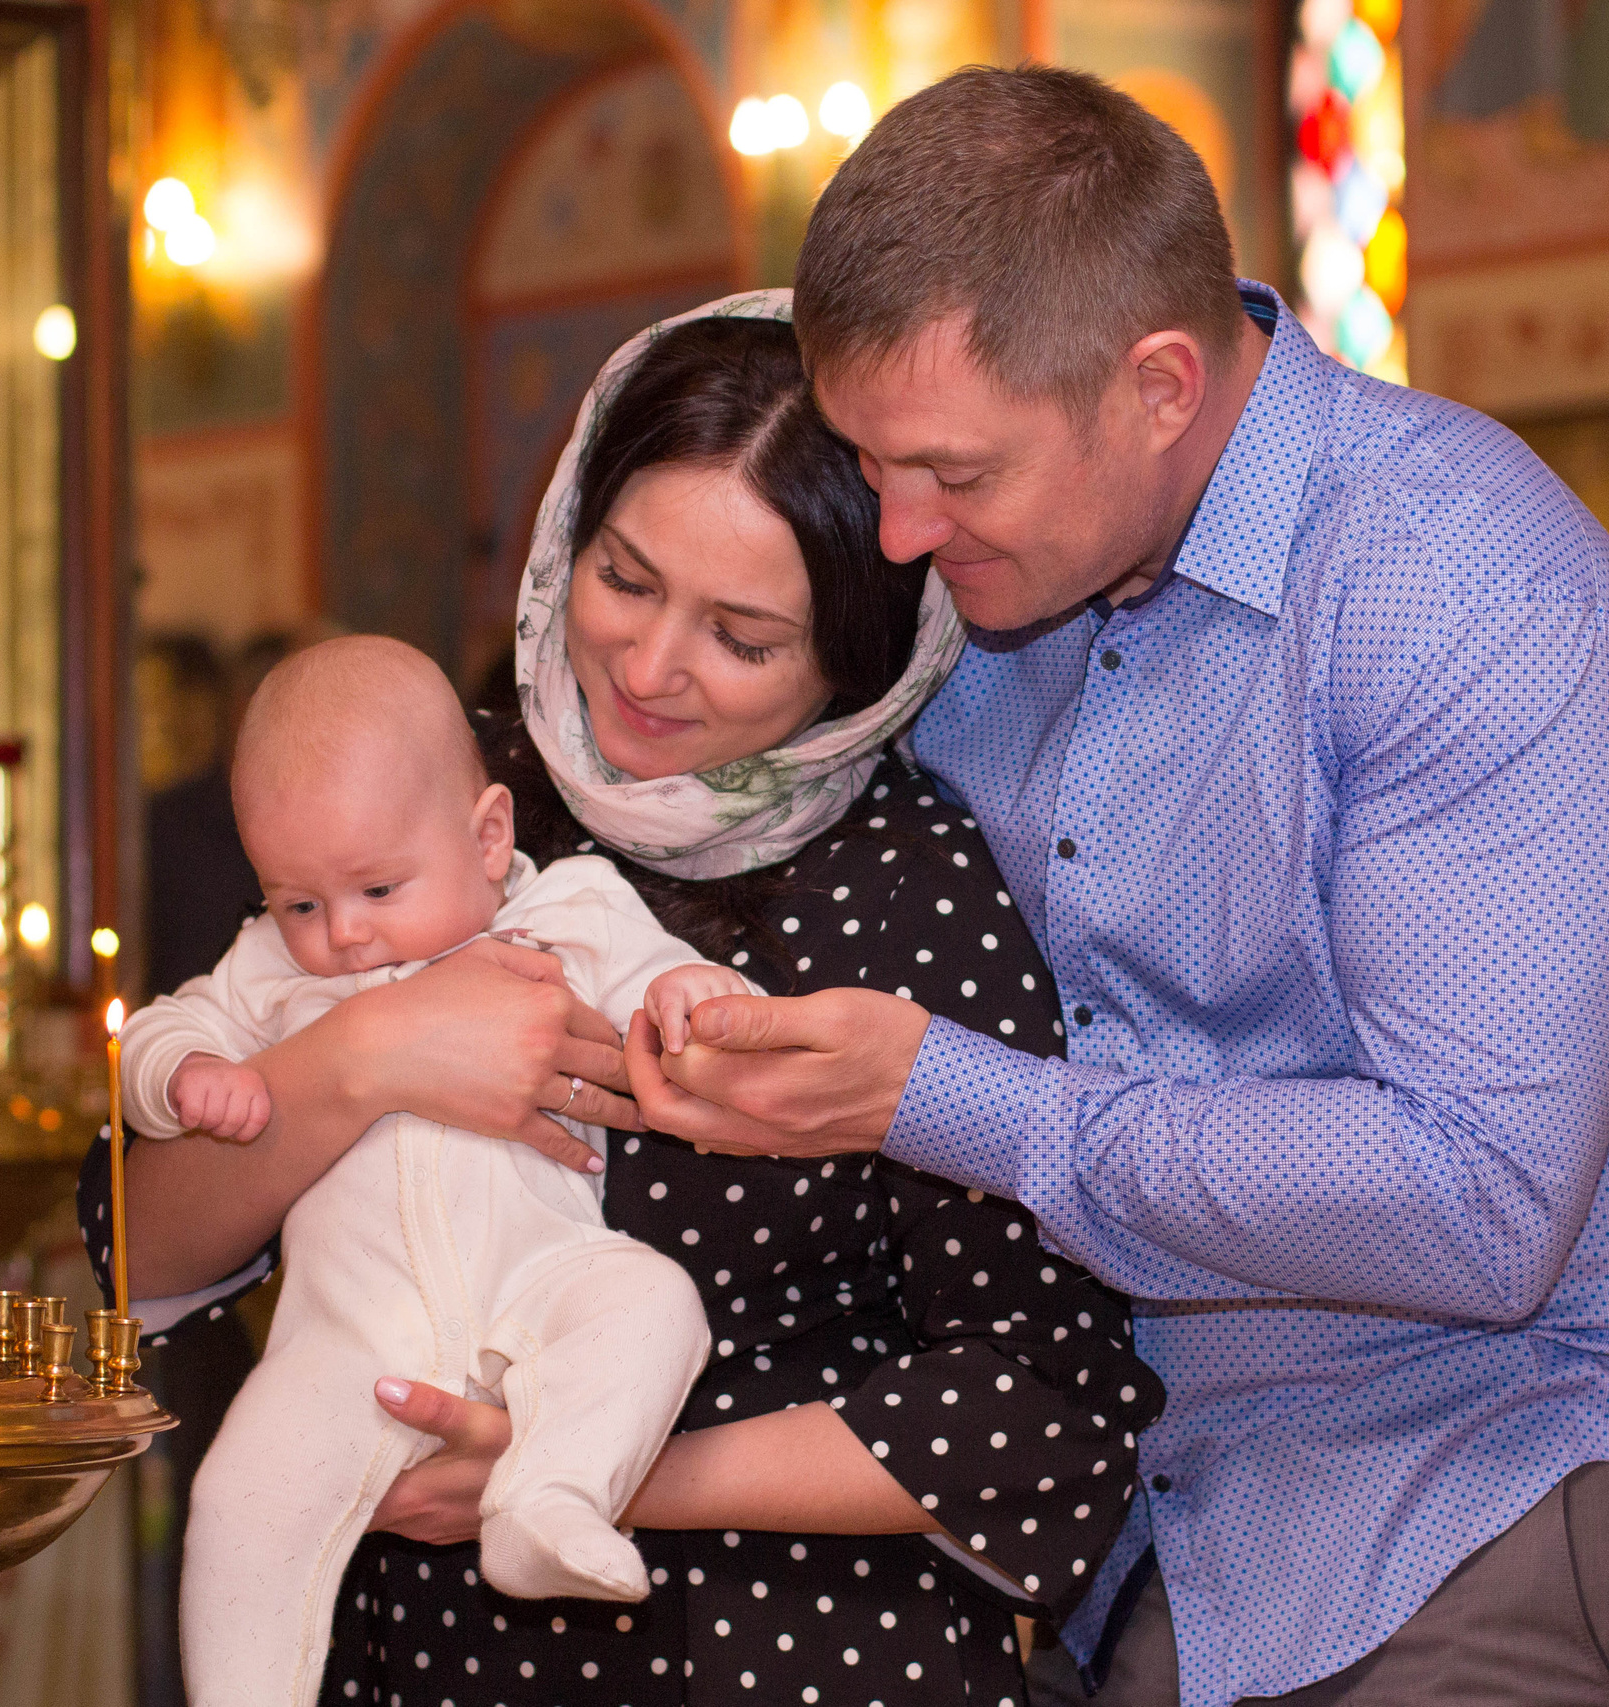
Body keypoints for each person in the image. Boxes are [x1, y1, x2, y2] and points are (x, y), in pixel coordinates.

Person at [629, 69, 1609, 1707]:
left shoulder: (1462, 587)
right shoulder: (975, 600)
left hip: (1488, 1490)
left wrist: (948, 1101)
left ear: (1159, 384)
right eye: (871, 464)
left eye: (951, 469)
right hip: (1156, 1537)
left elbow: (1482, 1199)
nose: (894, 531)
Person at [80, 296, 1163, 1705]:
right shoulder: (442, 799)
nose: (650, 669)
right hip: (429, 1658)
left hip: (782, 1649)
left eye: (744, 635)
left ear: (853, 655)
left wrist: (599, 1467)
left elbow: (1047, 1404)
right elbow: (134, 1247)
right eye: (627, 576)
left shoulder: (908, 893)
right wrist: (367, 1056)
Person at [126, 635, 758, 1703]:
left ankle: (548, 1496)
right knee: (241, 1499)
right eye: (299, 902)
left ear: (486, 834)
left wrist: (686, 998)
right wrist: (184, 1076)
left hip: (541, 1285)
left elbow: (669, 978)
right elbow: (160, 1027)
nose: (344, 939)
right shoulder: (272, 965)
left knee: (655, 1306)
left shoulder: (568, 913)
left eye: (376, 887)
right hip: (348, 1340)